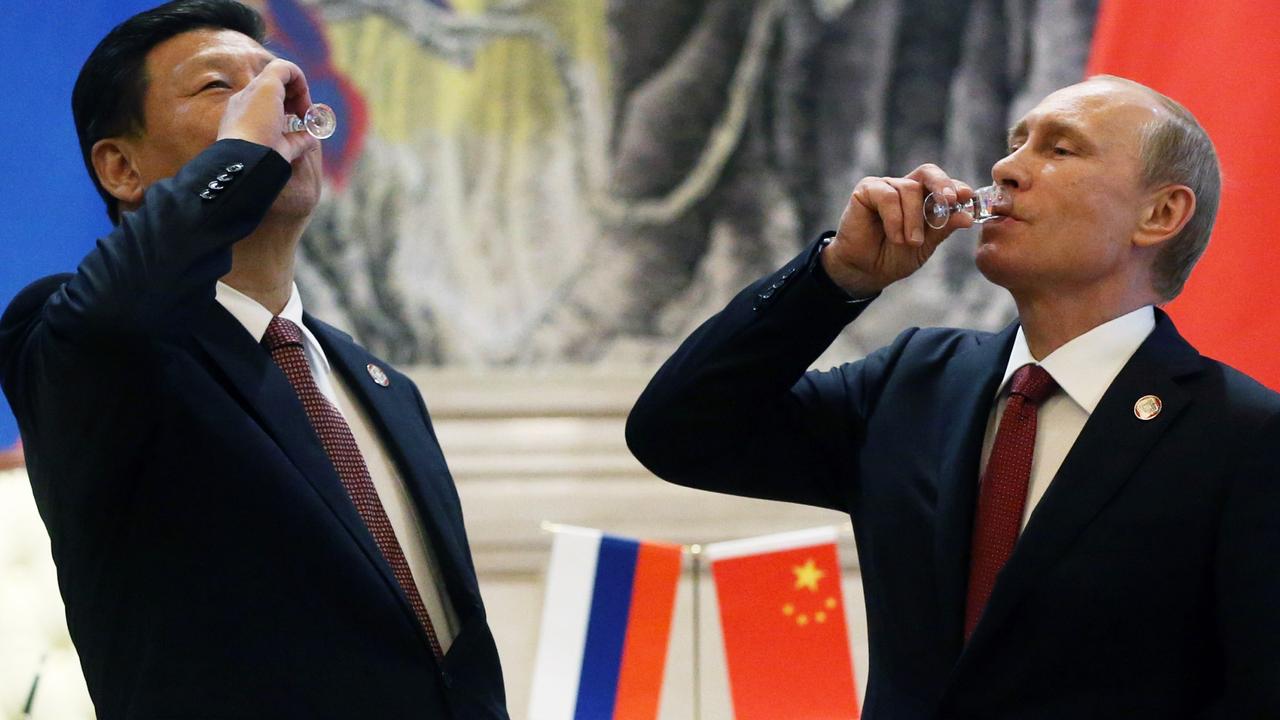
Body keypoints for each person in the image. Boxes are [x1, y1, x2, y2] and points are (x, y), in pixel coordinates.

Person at [627, 75, 1280, 718]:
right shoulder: (912, 382)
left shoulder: (1242, 436)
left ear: (1159, 214)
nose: (1007, 167)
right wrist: (834, 280)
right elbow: (678, 432)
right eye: (1016, 142)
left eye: (1059, 148)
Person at [0, 2, 507, 717]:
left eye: (277, 81)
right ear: (120, 167)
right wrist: (244, 154)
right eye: (218, 87)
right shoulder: (81, 343)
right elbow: (120, 312)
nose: (282, 104)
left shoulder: (377, 383)